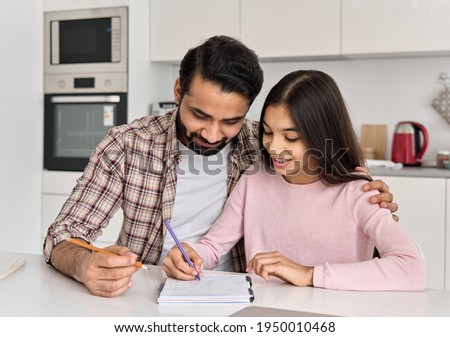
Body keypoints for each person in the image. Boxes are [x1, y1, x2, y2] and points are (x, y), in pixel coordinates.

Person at [43, 36, 398, 297]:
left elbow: (330, 185)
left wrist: (364, 189)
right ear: (179, 90)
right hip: (147, 290)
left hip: (246, 296)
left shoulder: (265, 144)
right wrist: (84, 264)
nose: (213, 134)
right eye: (200, 114)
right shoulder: (128, 144)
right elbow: (63, 234)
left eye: (230, 121)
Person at [162, 70, 427, 291]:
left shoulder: (359, 193)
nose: (274, 147)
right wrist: (192, 255)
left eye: (291, 138)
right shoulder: (254, 181)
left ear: (322, 135)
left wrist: (309, 274)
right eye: (267, 132)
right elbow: (213, 246)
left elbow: (412, 268)